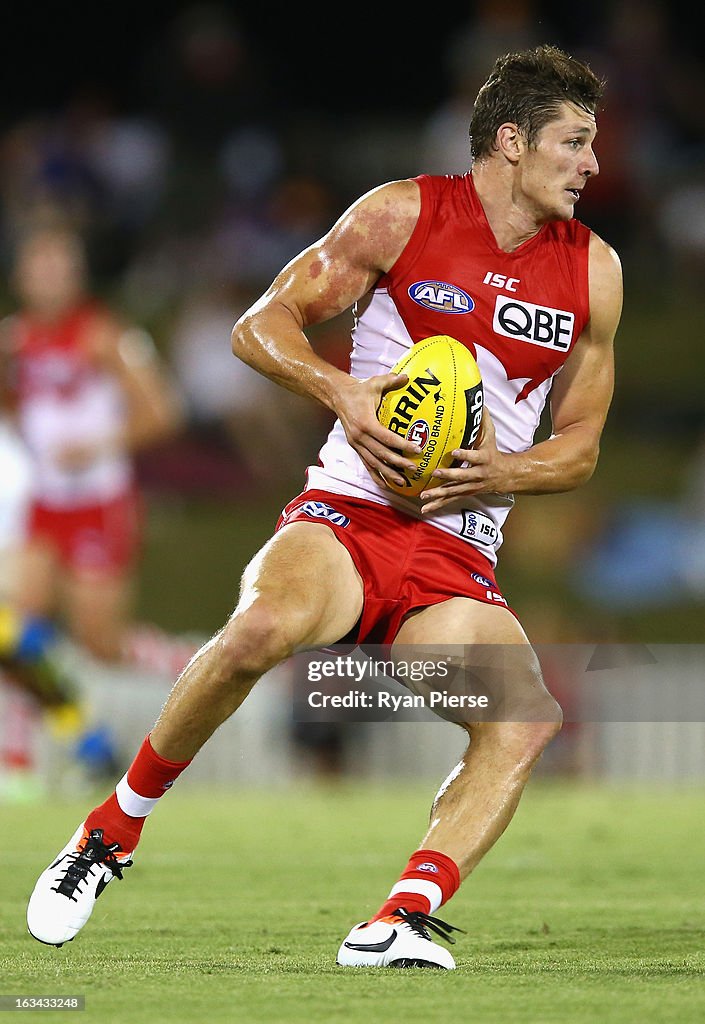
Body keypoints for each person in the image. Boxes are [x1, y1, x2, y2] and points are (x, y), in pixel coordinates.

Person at [27, 45, 621, 969]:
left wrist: (505, 472)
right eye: (573, 142)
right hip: (349, 512)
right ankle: (109, 833)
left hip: (458, 553)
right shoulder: (402, 214)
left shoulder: (594, 272)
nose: (591, 164)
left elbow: (580, 443)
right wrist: (342, 393)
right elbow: (258, 324)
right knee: (262, 628)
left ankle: (398, 919)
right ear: (510, 141)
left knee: (524, 718)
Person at [0, 222, 183, 664]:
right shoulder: (14, 340)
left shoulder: (106, 335)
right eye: (40, 267)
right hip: (40, 503)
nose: (50, 278)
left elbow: (165, 412)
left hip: (97, 502)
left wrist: (97, 446)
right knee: (19, 631)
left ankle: (182, 661)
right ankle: (41, 727)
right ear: (20, 276)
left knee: (99, 642)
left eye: (60, 268)